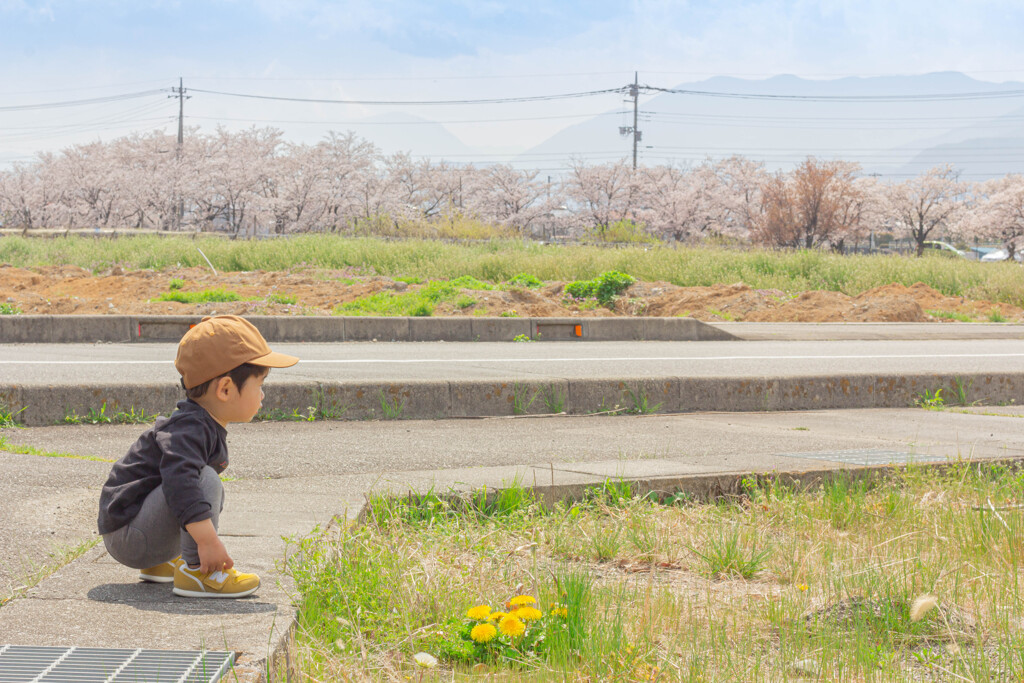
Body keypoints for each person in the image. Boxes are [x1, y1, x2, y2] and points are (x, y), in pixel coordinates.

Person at [97, 315, 298, 598]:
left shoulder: (199, 424)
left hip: (134, 533)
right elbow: (180, 483)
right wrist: (207, 542)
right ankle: (197, 572)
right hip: (129, 537)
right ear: (225, 389)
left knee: (206, 483)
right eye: (260, 383)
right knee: (204, 481)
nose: (263, 395)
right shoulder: (190, 429)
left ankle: (162, 563)